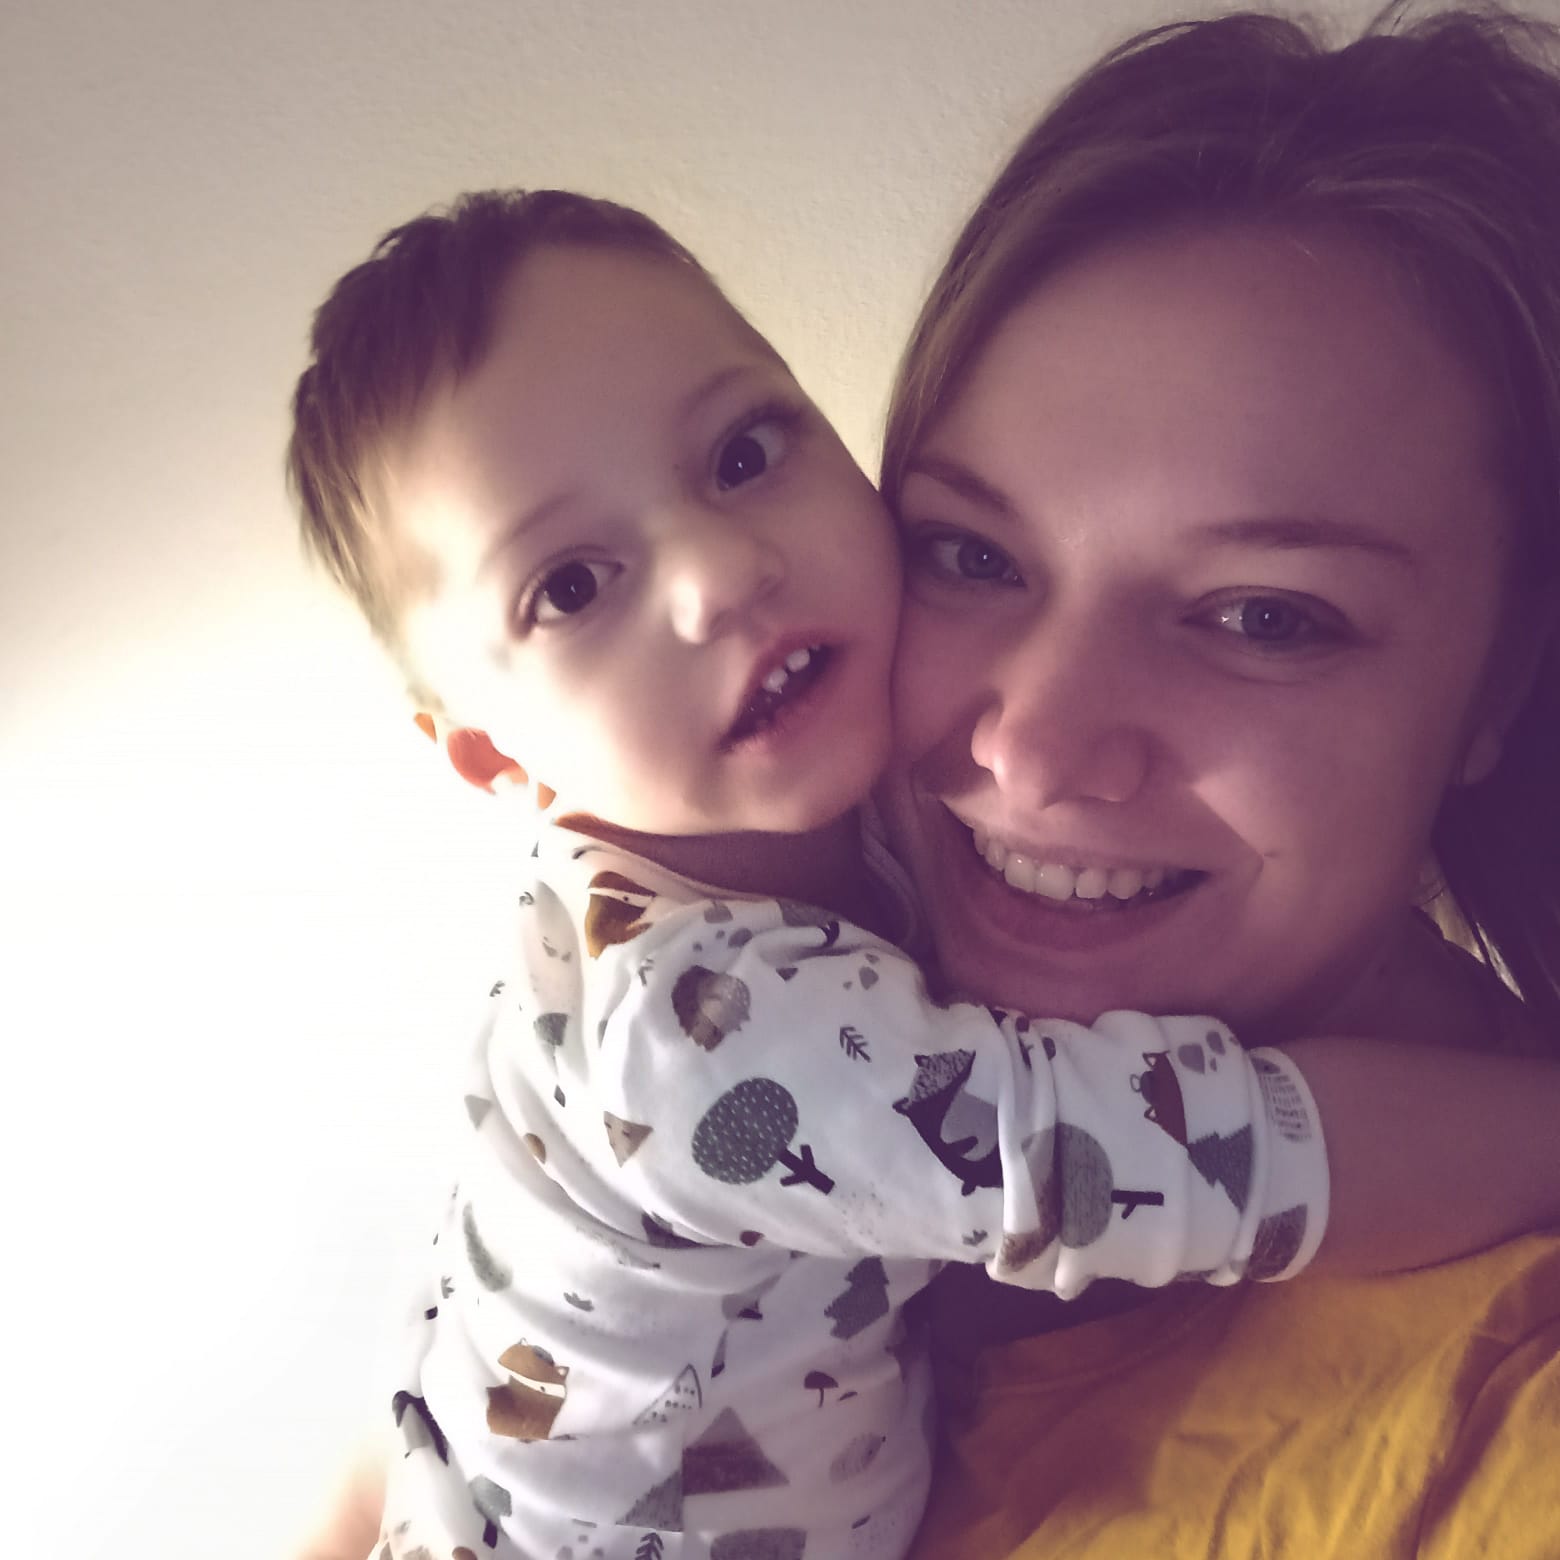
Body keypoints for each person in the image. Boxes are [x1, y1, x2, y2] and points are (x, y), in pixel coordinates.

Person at [283, 181, 1560, 1557]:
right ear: (496, 759)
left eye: (742, 454)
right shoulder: (694, 1028)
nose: (720, 571)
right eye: (573, 587)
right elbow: (1213, 1154)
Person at [870, 6, 1560, 1555]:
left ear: (1500, 680)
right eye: (969, 554)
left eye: (1264, 618)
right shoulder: (738, 1023)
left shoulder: (1511, 1412)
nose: (1036, 747)